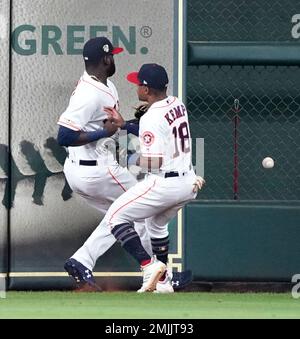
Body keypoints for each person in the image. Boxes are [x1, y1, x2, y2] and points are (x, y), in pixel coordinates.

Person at [57, 37, 193, 292]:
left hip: (83, 169)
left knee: (119, 216)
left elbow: (111, 125)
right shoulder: (89, 93)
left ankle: (81, 261)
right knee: (140, 212)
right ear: (106, 59)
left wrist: (124, 125)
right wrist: (103, 133)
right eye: (114, 55)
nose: (115, 59)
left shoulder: (100, 84)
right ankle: (161, 278)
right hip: (98, 170)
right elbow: (63, 136)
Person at [104, 63, 205, 292]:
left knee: (115, 217)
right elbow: (161, 130)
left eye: (138, 84)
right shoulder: (177, 103)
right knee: (156, 225)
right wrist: (126, 125)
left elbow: (155, 162)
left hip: (165, 183)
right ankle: (164, 281)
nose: (136, 87)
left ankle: (148, 265)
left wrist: (127, 158)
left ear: (147, 90)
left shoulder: (151, 118)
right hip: (187, 182)